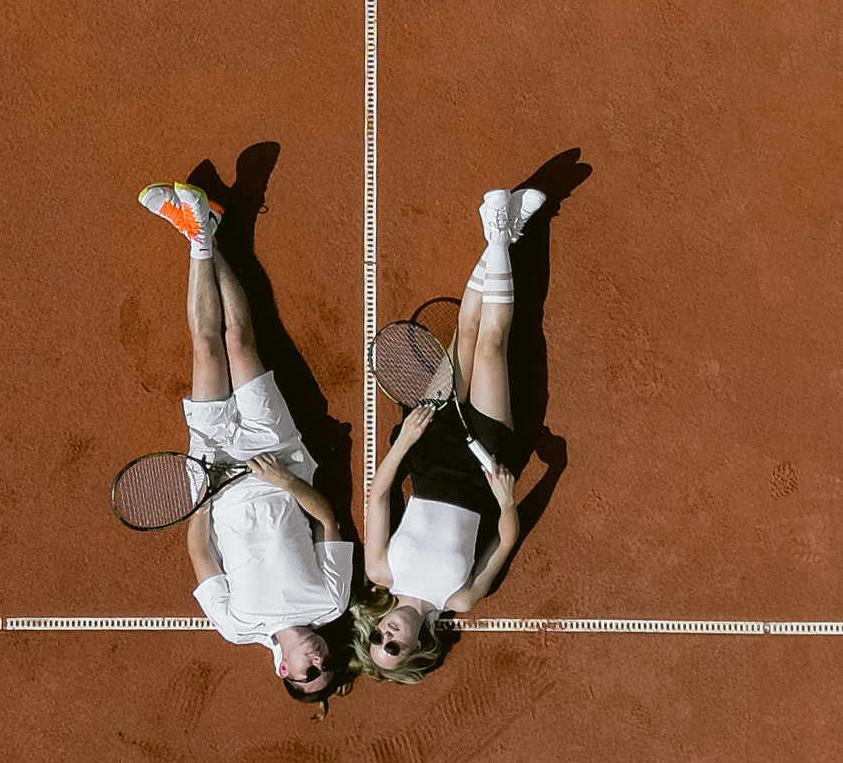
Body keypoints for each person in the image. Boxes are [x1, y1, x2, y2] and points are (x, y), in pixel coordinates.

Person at [139, 180, 358, 702]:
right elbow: (328, 521)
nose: (319, 659)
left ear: (285, 671)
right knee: (238, 342)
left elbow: (201, 553)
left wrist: (203, 496)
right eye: (327, 665)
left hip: (214, 470)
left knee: (205, 348)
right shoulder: (331, 603)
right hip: (277, 454)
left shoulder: (236, 627)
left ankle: (200, 234)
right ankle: (201, 234)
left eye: (311, 672)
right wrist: (284, 480)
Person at [360, 185, 542, 682]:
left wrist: (404, 442)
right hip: (482, 465)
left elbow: (379, 496)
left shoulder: (381, 571)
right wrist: (506, 500)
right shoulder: (460, 598)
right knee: (491, 347)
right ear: (418, 646)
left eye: (377, 639)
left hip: (426, 449)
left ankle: (501, 234)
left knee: (464, 336)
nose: (387, 635)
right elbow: (505, 540)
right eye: (394, 648)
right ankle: (500, 234)